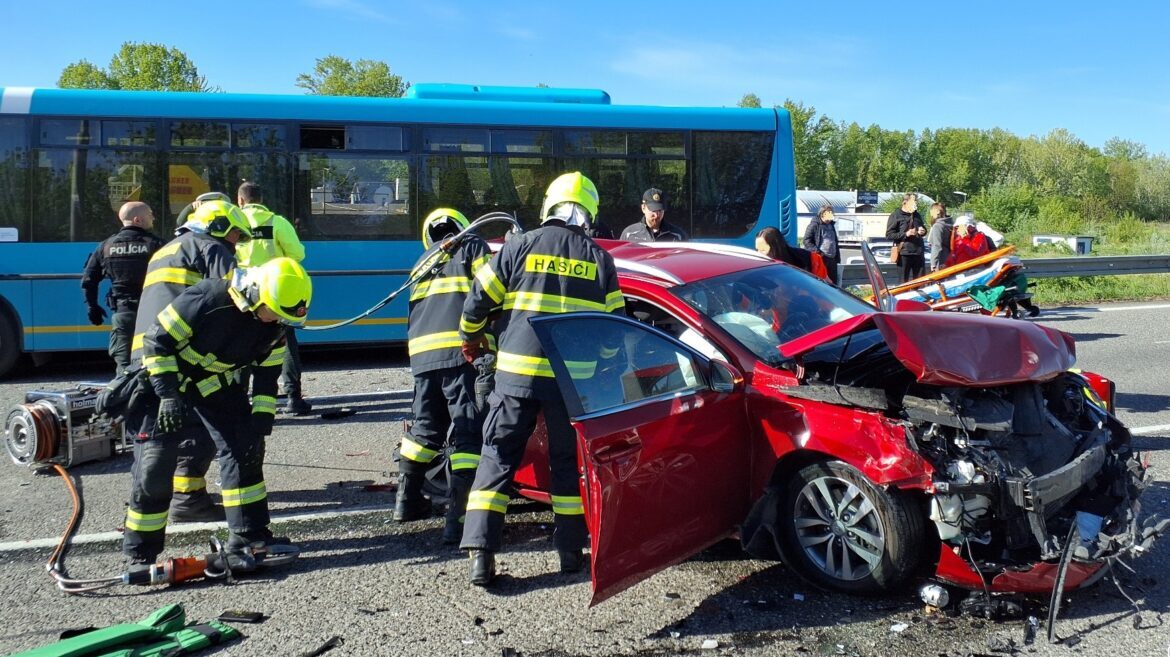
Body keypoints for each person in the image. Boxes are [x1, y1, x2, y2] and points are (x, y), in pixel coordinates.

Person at [459, 171, 624, 586]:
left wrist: (471, 337)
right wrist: (603, 365)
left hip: (517, 375)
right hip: (571, 383)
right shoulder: (600, 259)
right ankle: (570, 553)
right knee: (567, 466)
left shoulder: (520, 245)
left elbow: (478, 301)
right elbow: (614, 332)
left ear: (549, 205)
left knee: (497, 457)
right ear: (587, 212)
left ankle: (482, 556)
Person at [123, 257, 311, 573]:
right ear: (254, 294)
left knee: (244, 450)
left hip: (212, 383)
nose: (274, 321)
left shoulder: (275, 322)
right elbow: (156, 342)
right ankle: (140, 553)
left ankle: (248, 536)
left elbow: (267, 371)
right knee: (155, 466)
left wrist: (262, 417)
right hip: (163, 381)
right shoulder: (209, 298)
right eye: (272, 313)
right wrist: (168, 396)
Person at [130, 198, 252, 523]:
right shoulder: (212, 248)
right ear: (220, 228)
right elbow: (237, 297)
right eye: (236, 236)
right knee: (201, 430)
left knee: (154, 438)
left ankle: (146, 518)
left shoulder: (164, 250)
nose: (237, 243)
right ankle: (188, 500)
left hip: (145, 356)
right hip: (180, 355)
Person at [396, 208, 492, 546]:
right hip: (458, 351)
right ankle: (458, 518)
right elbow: (488, 295)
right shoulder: (472, 246)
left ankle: (405, 502)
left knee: (425, 427)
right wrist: (488, 343)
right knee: (467, 432)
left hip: (422, 356)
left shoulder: (421, 262)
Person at [234, 182, 311, 416]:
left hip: (242, 294)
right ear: (261, 199)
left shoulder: (234, 223)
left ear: (240, 201)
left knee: (241, 346)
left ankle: (239, 401)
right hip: (273, 293)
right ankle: (293, 398)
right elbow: (298, 254)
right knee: (286, 345)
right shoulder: (277, 222)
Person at [81, 202, 165, 372]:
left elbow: (89, 280)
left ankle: (124, 395)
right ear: (138, 219)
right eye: (150, 214)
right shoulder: (157, 245)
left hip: (123, 313)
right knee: (155, 363)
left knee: (124, 366)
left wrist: (92, 307)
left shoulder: (105, 246)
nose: (153, 218)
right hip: (152, 314)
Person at [755, 226, 831, 281]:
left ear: (776, 248)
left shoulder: (811, 259)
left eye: (763, 250)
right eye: (757, 249)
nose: (758, 254)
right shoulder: (756, 267)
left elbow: (826, 286)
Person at [885, 193, 927, 282]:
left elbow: (923, 228)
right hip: (904, 254)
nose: (915, 204)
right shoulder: (896, 215)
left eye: (916, 202)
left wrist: (923, 231)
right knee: (904, 281)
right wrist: (906, 234)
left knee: (920, 281)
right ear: (905, 202)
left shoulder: (917, 215)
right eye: (913, 202)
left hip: (918, 252)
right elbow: (889, 235)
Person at [620, 188, 687, 242]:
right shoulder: (629, 234)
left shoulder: (678, 235)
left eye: (660, 210)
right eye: (653, 210)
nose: (656, 215)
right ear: (643, 208)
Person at [801, 206, 841, 284]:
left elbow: (834, 241)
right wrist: (819, 253)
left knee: (833, 284)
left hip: (832, 259)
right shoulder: (814, 225)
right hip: (821, 258)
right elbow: (806, 241)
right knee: (821, 283)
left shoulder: (831, 225)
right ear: (822, 214)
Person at [926, 202, 954, 271]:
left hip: (941, 259)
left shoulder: (938, 226)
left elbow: (937, 246)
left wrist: (933, 263)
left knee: (940, 281)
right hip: (949, 257)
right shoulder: (949, 224)